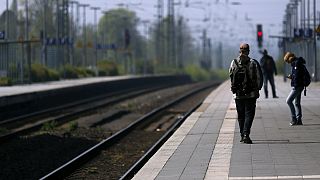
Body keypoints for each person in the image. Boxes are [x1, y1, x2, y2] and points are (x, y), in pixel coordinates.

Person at [229, 43, 263, 144]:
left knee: (241, 115)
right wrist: (258, 89)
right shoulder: (253, 63)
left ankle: (241, 135)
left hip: (238, 94)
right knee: (249, 114)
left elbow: (231, 75)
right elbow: (259, 78)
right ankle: (246, 135)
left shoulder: (233, 62)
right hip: (251, 94)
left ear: (240, 51)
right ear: (248, 51)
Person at [284, 52, 306, 126]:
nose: (288, 63)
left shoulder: (296, 64)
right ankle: (299, 120)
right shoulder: (298, 62)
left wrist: (293, 79)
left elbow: (297, 76)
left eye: (287, 61)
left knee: (288, 101)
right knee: (297, 103)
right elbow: (297, 75)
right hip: (300, 85)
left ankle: (294, 119)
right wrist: (292, 76)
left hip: (297, 86)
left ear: (289, 58)